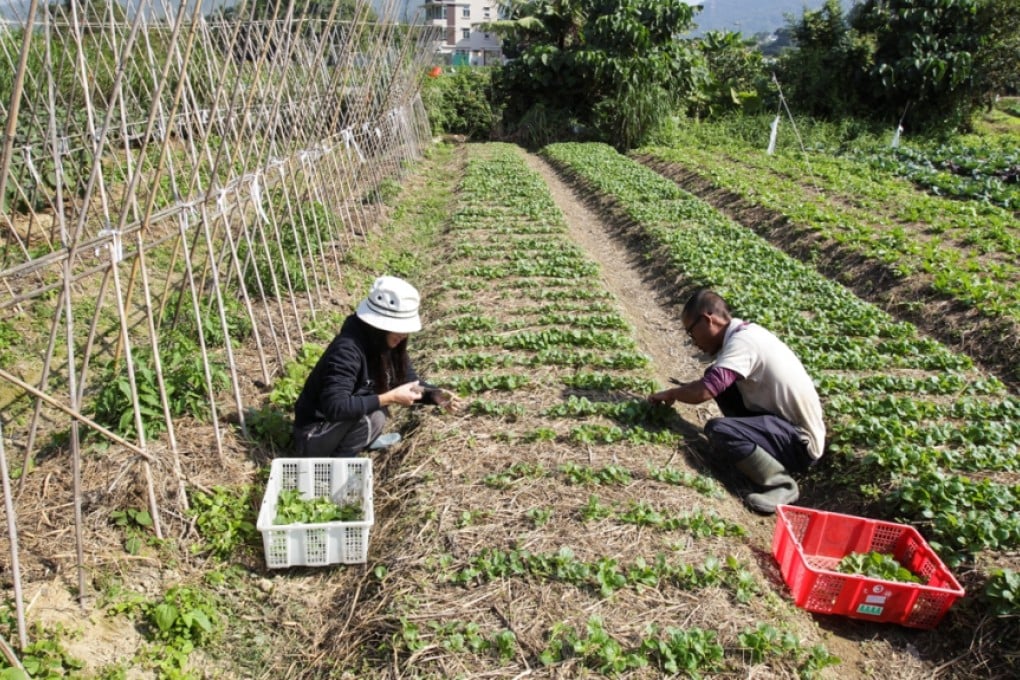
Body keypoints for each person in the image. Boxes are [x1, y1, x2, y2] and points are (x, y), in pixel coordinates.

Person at [648, 288, 825, 513]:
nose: (693, 342)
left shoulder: (744, 342)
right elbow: (714, 382)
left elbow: (705, 391)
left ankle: (781, 484)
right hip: (782, 428)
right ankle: (748, 453)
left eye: (692, 333)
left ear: (707, 320)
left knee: (719, 429)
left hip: (799, 443)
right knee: (719, 378)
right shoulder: (745, 334)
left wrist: (672, 393)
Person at [292, 276, 459, 457]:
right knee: (374, 416)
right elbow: (336, 406)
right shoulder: (347, 351)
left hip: (335, 427)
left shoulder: (383, 344)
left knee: (375, 412)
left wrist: (434, 395)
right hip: (314, 434)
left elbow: (407, 381)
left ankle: (359, 441)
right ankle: (338, 464)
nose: (405, 334)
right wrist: (389, 397)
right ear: (379, 325)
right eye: (400, 328)